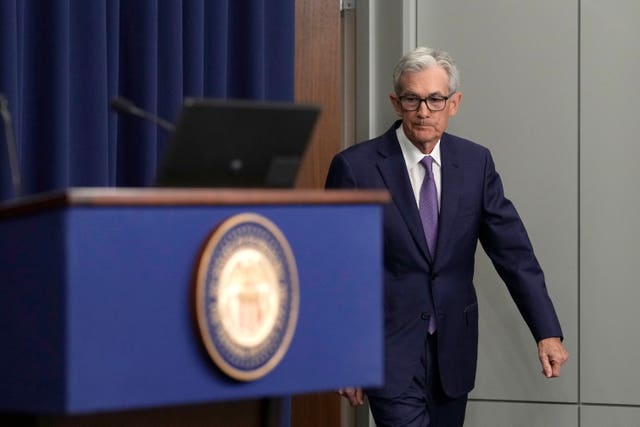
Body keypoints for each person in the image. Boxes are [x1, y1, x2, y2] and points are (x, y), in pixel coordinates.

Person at [325, 47, 568, 426]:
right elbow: (336, 271)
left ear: (453, 104)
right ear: (396, 102)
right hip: (386, 352)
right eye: (412, 99)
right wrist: (345, 357)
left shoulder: (475, 164)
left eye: (435, 100)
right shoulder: (356, 168)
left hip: (452, 350)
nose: (424, 111)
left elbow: (514, 254)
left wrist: (547, 331)